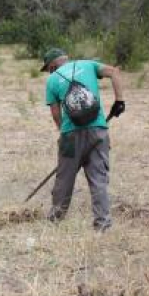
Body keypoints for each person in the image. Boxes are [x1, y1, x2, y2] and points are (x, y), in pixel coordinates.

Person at [41, 47, 125, 231]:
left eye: (48, 68)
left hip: (71, 135)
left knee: (64, 178)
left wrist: (64, 133)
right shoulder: (89, 64)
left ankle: (56, 218)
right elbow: (114, 72)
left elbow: (56, 113)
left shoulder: (52, 80)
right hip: (98, 130)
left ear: (53, 65)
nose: (49, 71)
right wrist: (119, 101)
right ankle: (102, 224)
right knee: (98, 179)